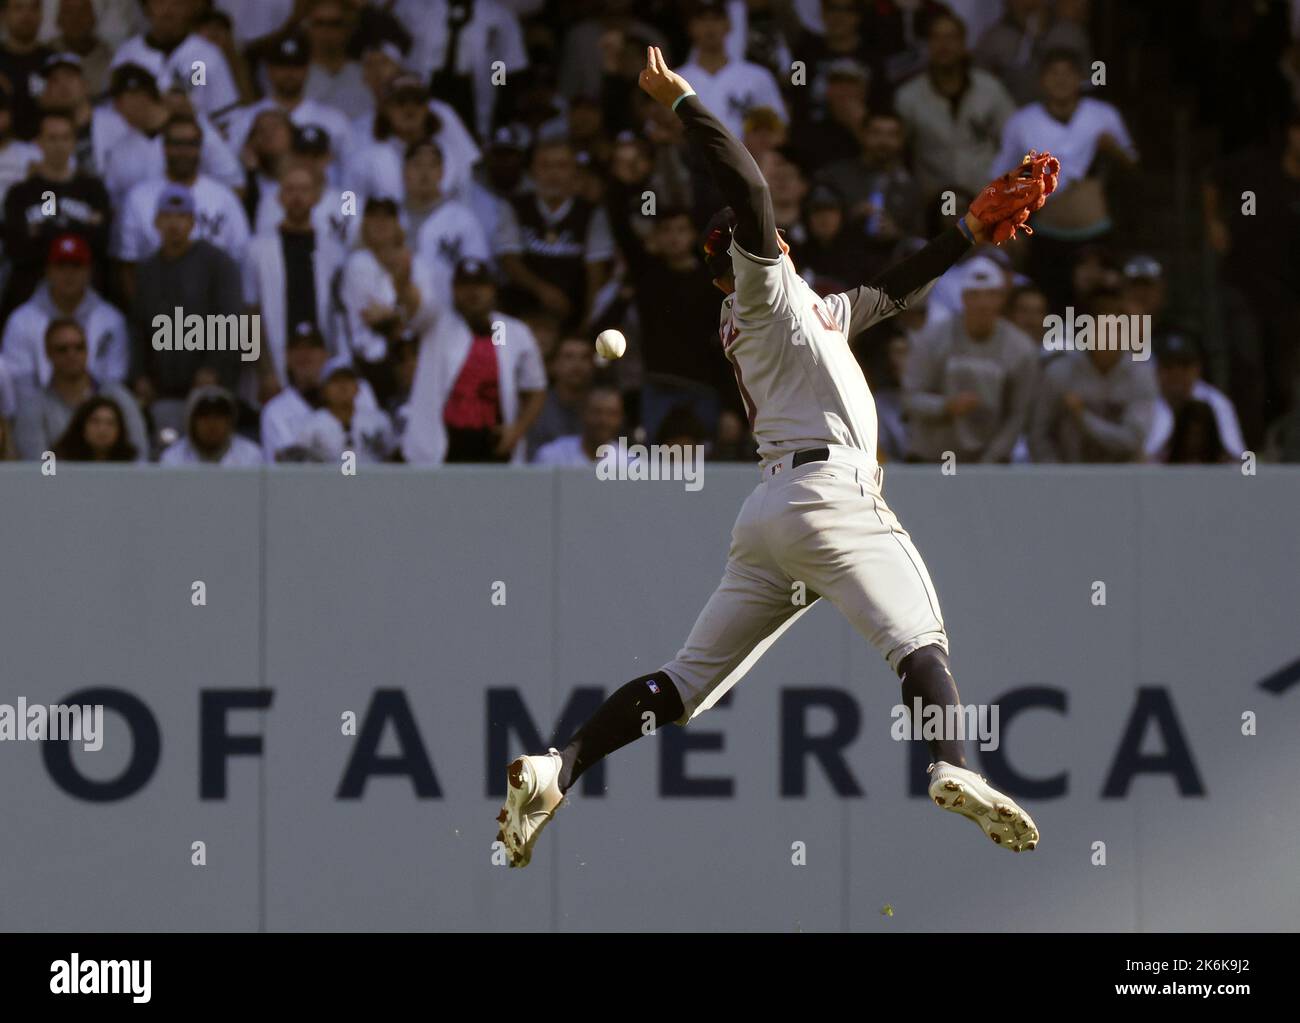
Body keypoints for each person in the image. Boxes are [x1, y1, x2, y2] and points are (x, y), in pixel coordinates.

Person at [495, 47, 1043, 870]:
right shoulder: (764, 292)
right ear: (745, 262)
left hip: (770, 520)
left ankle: (558, 766)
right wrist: (683, 100)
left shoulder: (801, 311)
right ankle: (955, 767)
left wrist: (966, 230)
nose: (776, 233)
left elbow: (893, 288)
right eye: (762, 240)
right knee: (920, 641)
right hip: (832, 495)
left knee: (682, 685)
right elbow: (748, 190)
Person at [402, 257, 546, 465]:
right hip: (443, 444)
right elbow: (413, 305)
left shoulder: (511, 331)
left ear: (493, 289)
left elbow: (536, 387)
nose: (473, 293)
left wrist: (518, 429)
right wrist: (401, 279)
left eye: (480, 285)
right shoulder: (436, 324)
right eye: (464, 286)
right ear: (453, 290)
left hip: (494, 442)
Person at [13, 318, 147, 460]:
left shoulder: (118, 397)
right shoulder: (33, 407)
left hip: (117, 480)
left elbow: (139, 455)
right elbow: (38, 465)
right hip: (58, 482)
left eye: (79, 347)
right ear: (47, 353)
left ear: (88, 350)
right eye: (62, 349)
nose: (72, 354)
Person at [158, 385, 262, 466]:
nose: (212, 423)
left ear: (230, 422)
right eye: (204, 415)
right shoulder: (172, 459)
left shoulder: (251, 456)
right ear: (191, 422)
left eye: (219, 416)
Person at [52, 393, 137, 462]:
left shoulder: (132, 464)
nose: (102, 429)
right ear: (82, 426)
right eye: (95, 422)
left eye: (110, 423)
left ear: (120, 430)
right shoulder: (62, 463)